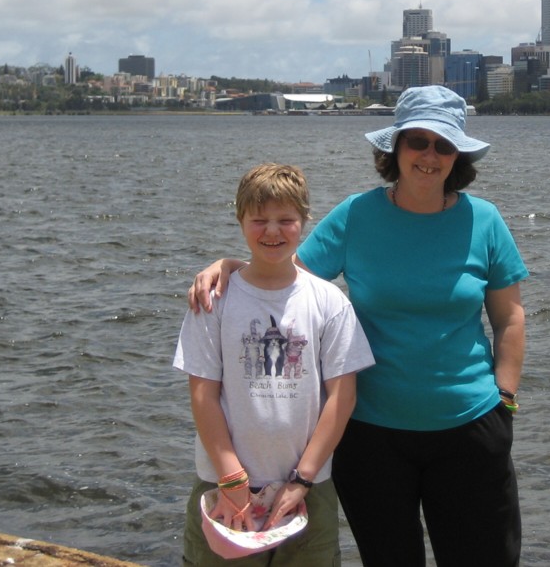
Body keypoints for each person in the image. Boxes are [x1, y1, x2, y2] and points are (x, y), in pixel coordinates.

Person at [190, 87, 528, 566]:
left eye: (443, 145)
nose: (429, 156)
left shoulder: (485, 220)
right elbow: (284, 273)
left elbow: (509, 316)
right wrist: (230, 265)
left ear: (458, 156)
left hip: (470, 427)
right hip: (371, 436)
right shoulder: (357, 214)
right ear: (395, 148)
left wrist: (505, 399)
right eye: (418, 142)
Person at [175, 162, 374, 565]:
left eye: (286, 220)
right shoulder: (214, 301)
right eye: (259, 220)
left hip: (308, 487)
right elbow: (203, 395)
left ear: (304, 221)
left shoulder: (329, 301)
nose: (272, 231)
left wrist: (303, 478)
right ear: (240, 219)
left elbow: (342, 397)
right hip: (224, 484)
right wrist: (231, 477)